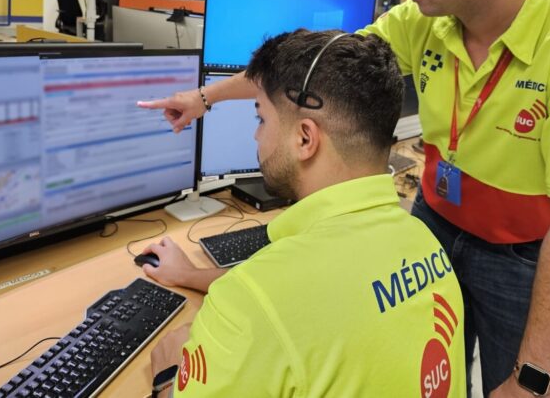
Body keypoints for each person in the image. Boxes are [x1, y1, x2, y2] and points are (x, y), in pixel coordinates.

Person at [139, 0, 550, 398]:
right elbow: (315, 72)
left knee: (508, 388)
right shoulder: (421, 20)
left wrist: (535, 380)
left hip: (516, 253)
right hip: (435, 219)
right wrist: (203, 97)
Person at [142, 29, 466, 398]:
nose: (256, 138)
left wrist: (168, 376)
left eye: (261, 119)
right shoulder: (426, 243)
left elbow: (276, 301)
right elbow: (314, 301)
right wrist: (190, 274)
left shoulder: (255, 298)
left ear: (305, 139)